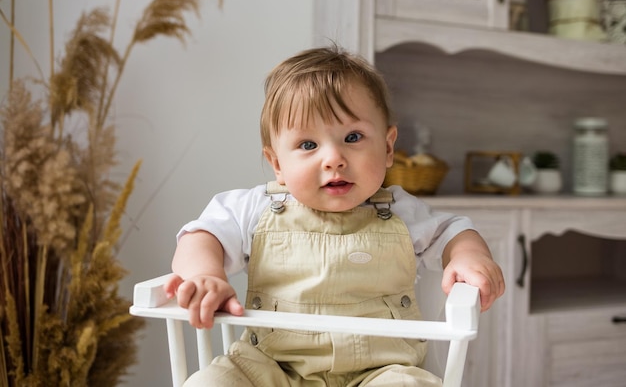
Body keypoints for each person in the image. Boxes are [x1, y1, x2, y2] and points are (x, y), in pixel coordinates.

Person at [163, 45, 505, 386]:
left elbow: (454, 230)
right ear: (277, 163)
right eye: (308, 145)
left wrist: (468, 256)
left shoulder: (401, 211)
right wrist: (206, 275)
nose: (334, 159)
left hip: (380, 371)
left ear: (388, 148)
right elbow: (202, 235)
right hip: (268, 368)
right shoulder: (256, 208)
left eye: (352, 137)